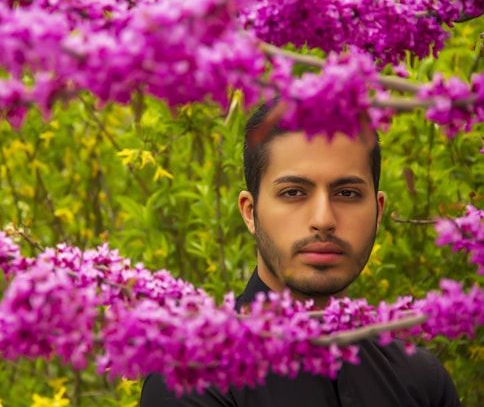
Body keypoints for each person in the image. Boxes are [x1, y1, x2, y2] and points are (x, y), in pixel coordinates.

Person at [139, 100, 462, 406]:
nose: (323, 220)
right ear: (250, 212)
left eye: (347, 193)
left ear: (378, 212)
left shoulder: (421, 380)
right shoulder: (192, 376)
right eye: (293, 193)